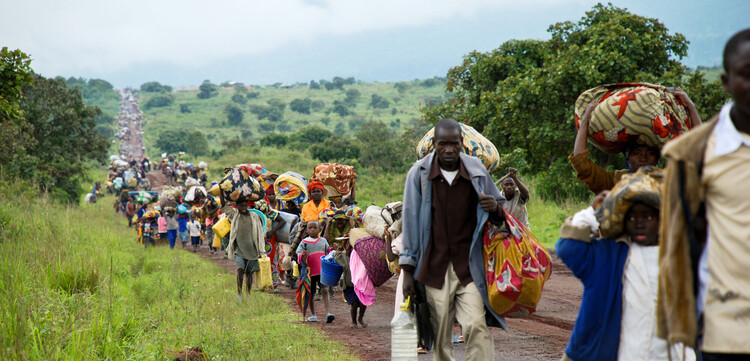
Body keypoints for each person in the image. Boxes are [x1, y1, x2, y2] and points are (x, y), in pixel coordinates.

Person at [657, 28, 750, 361]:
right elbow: (679, 239)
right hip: (723, 329)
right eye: (747, 75)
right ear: (726, 81)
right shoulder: (694, 154)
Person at [556, 168, 695, 361]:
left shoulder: (680, 256)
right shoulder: (610, 255)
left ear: (661, 219)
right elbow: (568, 247)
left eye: (647, 216)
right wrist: (595, 212)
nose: (639, 223)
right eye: (631, 217)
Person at [400, 118, 506, 360]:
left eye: (454, 144)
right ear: (434, 144)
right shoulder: (419, 174)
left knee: (476, 326)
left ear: (462, 144)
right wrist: (407, 270)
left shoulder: (477, 170)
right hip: (434, 268)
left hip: (469, 266)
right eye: (443, 144)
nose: (449, 149)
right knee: (440, 337)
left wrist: (495, 209)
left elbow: (500, 207)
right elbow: (411, 221)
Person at [570, 89, 702, 195]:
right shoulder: (614, 181)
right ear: (628, 158)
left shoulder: (669, 181)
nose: (643, 157)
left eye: (650, 153)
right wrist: (586, 118)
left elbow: (701, 156)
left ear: (657, 159)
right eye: (637, 153)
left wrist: (691, 107)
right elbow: (582, 165)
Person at [218, 191, 265, 299]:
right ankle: (239, 293)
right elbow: (223, 205)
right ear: (237, 206)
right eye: (241, 206)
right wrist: (221, 190)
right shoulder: (234, 215)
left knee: (249, 274)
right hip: (239, 250)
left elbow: (259, 232)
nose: (244, 208)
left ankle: (248, 293)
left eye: (245, 206)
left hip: (252, 250)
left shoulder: (254, 216)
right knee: (240, 270)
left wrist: (261, 249)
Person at [295, 221, 334, 323]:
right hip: (309, 273)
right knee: (310, 293)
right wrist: (302, 254)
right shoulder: (304, 242)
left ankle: (328, 313)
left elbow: (328, 252)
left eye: (315, 228)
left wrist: (333, 249)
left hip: (322, 272)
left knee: (325, 291)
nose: (312, 229)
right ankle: (313, 315)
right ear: (307, 230)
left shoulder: (323, 240)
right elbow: (298, 254)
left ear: (319, 230)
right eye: (310, 228)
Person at [334, 241, 367, 328]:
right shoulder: (344, 255)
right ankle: (354, 321)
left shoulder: (362, 254)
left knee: (363, 303)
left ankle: (360, 318)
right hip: (349, 285)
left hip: (361, 283)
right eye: (348, 244)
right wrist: (338, 250)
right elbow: (337, 258)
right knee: (354, 303)